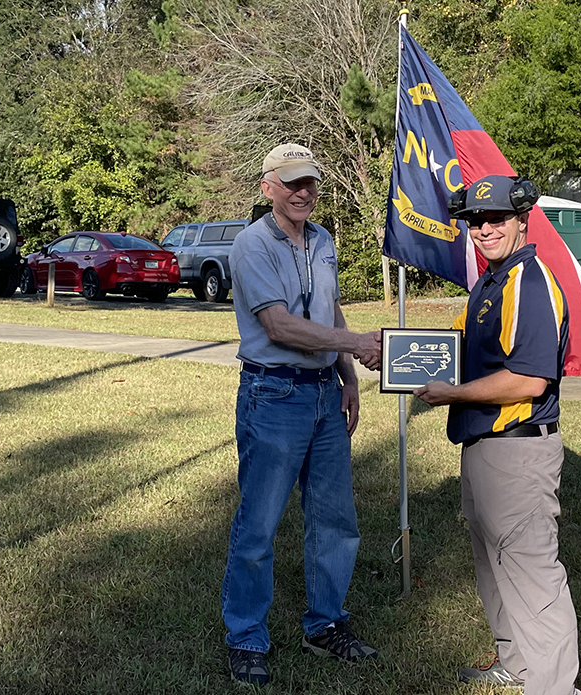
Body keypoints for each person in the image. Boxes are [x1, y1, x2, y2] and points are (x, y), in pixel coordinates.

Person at [415, 174, 581, 695]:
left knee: (533, 576)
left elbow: (530, 379)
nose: (484, 228)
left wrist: (452, 394)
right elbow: (476, 358)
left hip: (518, 451)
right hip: (486, 447)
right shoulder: (493, 280)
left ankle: (555, 688)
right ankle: (516, 662)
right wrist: (404, 355)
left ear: (521, 220)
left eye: (496, 219)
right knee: (493, 565)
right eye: (475, 221)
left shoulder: (530, 283)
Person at [222, 143, 382, 686]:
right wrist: (357, 341)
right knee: (259, 524)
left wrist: (348, 374)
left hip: (323, 396)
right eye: (291, 182)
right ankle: (246, 637)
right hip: (274, 395)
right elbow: (280, 327)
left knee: (336, 520)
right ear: (267, 186)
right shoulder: (252, 244)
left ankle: (326, 623)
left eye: (310, 181)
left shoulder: (323, 240)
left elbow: (328, 306)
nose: (303, 192)